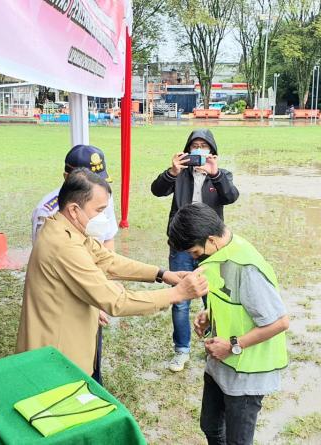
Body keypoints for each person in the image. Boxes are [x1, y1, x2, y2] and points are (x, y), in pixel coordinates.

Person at [16, 168, 208, 376]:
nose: (103, 218)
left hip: (64, 348)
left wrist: (162, 274)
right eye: (99, 210)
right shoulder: (64, 246)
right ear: (74, 209)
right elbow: (117, 301)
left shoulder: (67, 228)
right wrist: (176, 294)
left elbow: (107, 259)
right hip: (55, 358)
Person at [169, 203, 289, 445]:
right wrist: (208, 315)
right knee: (211, 427)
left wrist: (234, 345)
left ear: (211, 240)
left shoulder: (246, 267)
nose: (193, 258)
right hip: (220, 362)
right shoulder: (218, 255)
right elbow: (231, 301)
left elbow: (280, 321)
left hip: (247, 373)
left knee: (237, 441)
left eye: (194, 251)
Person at [151, 129, 239, 372]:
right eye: (194, 145)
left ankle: (213, 345)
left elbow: (231, 196)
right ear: (188, 150)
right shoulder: (179, 173)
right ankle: (181, 350)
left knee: (212, 298)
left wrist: (216, 174)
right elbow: (157, 190)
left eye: (204, 145)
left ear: (212, 151)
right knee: (180, 298)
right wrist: (171, 172)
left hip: (211, 247)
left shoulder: (220, 175)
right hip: (181, 244)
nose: (199, 149)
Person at [31, 144, 117, 384]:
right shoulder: (47, 213)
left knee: (91, 358)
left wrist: (102, 293)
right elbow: (53, 266)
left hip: (94, 291)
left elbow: (107, 242)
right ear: (67, 178)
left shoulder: (102, 198)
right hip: (70, 294)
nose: (95, 184)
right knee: (67, 368)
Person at [31, 144, 118, 249]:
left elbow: (108, 238)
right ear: (67, 177)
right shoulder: (46, 212)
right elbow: (46, 254)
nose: (97, 187)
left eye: (99, 181)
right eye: (88, 182)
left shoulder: (103, 196)